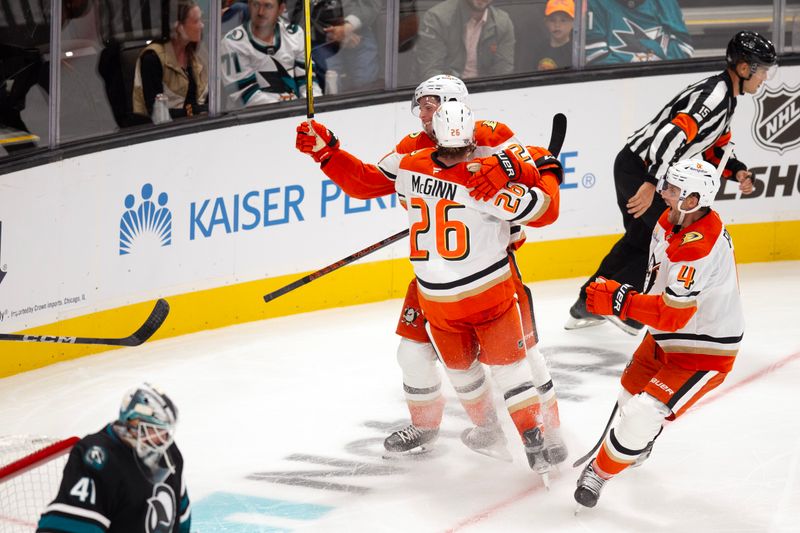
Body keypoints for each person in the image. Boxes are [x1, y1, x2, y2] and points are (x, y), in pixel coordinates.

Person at [295, 74, 568, 464]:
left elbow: (535, 169)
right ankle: (437, 427)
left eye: (428, 104)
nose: (421, 112)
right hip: (433, 274)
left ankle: (550, 431)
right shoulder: (412, 150)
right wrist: (327, 154)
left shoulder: (492, 134)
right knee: (412, 353)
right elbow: (369, 183)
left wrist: (529, 173)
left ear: (451, 104)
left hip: (491, 266)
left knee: (524, 355)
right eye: (420, 104)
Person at [566, 30, 776, 335]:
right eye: (762, 70)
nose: (764, 78)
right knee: (660, 236)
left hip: (638, 168)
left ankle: (588, 303)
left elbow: (714, 148)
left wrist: (738, 172)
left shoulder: (725, 98)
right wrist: (651, 182)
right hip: (640, 171)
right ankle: (622, 311)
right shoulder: (715, 97)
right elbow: (671, 135)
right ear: (744, 68)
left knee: (641, 239)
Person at [395, 101, 556, 479]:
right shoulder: (484, 181)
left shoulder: (408, 167)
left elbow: (413, 200)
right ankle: (534, 436)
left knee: (464, 372)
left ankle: (489, 431)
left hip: (437, 299)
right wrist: (544, 170)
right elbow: (543, 209)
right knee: (512, 369)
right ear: (471, 140)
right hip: (490, 291)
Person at [573, 158, 744, 510]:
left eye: (673, 189)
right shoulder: (670, 219)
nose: (664, 193)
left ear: (694, 200)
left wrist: (620, 301)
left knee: (641, 413)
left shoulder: (699, 246)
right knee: (627, 398)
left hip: (705, 349)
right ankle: (639, 442)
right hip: (664, 337)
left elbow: (673, 316)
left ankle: (599, 474)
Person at [37, 383, 191, 532]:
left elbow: (182, 518)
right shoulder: (99, 458)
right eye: (156, 430)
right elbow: (71, 526)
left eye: (165, 431)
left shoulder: (168, 451)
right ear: (133, 424)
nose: (164, 439)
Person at [220, 0, 322, 108]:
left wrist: (315, 107)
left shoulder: (295, 34)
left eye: (268, 6)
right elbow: (248, 97)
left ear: (281, 9)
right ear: (249, 5)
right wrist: (292, 110)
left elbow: (308, 81)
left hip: (294, 113)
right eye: (256, 5)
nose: (260, 12)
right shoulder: (232, 43)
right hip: (250, 120)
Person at [132, 0, 208, 121]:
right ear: (178, 27)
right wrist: (192, 112)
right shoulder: (152, 58)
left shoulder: (197, 55)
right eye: (196, 21)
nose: (202, 25)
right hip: (165, 132)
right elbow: (156, 113)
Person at [415, 0, 514, 81]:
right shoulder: (437, 18)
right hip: (446, 93)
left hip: (486, 92)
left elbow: (503, 72)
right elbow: (430, 72)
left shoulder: (502, 22)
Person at [585, 0, 693, 64]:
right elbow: (595, 56)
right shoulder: (593, 3)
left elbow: (683, 47)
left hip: (664, 82)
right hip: (616, 87)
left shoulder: (664, 2)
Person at [533, 0, 574, 71]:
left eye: (563, 20)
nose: (557, 25)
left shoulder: (575, 52)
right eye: (552, 20)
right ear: (546, 22)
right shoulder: (539, 48)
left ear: (573, 23)